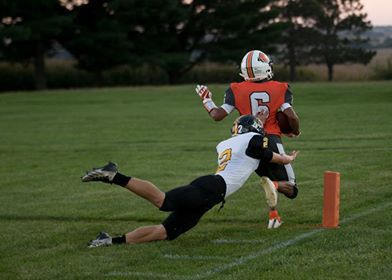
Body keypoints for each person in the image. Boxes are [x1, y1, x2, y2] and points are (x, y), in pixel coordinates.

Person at [82, 115, 298, 248]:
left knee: (167, 232)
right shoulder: (253, 139)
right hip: (212, 188)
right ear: (254, 128)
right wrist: (286, 158)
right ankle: (114, 175)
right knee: (163, 201)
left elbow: (252, 160)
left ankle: (109, 240)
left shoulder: (225, 144)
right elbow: (268, 155)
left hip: (211, 194)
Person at [195, 50, 300, 229]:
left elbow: (217, 115)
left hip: (243, 142)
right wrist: (294, 131)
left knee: (247, 177)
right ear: (265, 68)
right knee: (290, 188)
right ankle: (273, 185)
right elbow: (292, 117)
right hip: (271, 139)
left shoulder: (236, 89)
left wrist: (207, 101)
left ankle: (274, 217)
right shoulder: (280, 87)